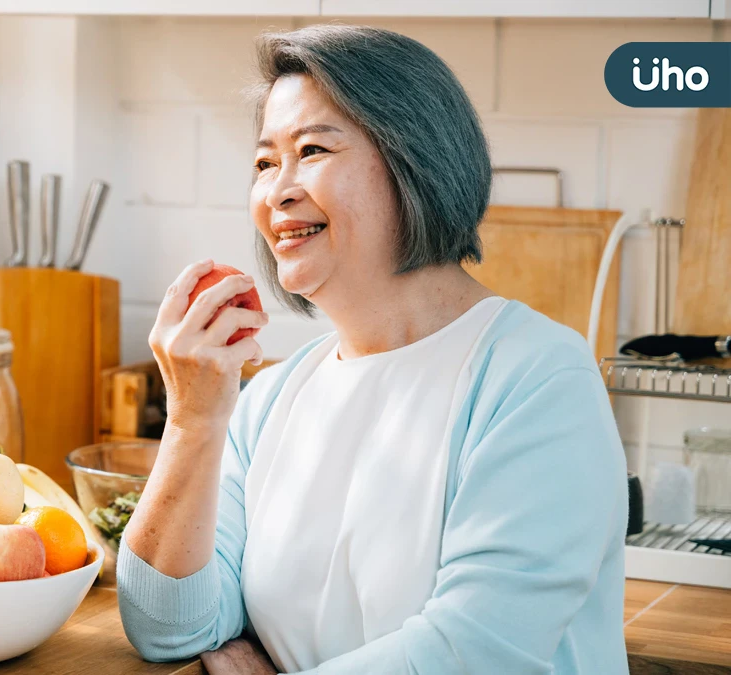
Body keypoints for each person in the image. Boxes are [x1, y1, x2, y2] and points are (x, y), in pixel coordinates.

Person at [116, 24, 628, 675]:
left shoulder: (539, 380)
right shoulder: (271, 399)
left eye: (313, 150)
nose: (277, 191)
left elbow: (472, 652)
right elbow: (169, 626)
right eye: (266, 161)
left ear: (416, 160)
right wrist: (194, 419)